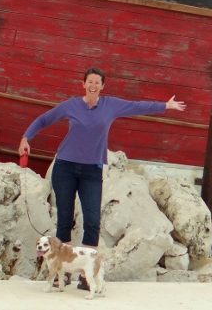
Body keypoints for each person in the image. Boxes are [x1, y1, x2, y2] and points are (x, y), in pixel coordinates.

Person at [19, 67, 186, 268]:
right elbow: (45, 119)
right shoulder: (71, 105)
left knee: (92, 221)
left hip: (92, 171)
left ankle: (86, 272)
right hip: (65, 168)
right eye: (90, 81)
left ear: (102, 86)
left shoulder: (110, 105)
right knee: (64, 219)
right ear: (83, 84)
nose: (93, 85)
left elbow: (136, 106)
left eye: (97, 82)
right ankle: (61, 270)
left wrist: (165, 105)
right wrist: (26, 137)